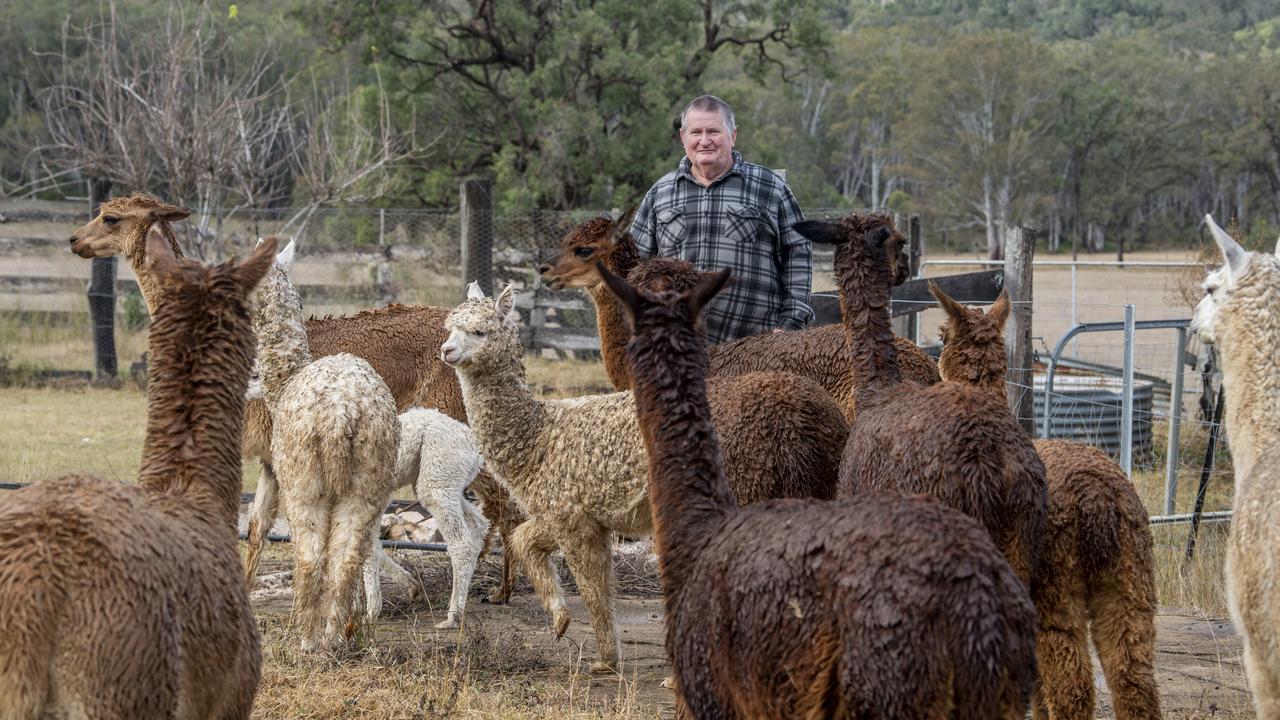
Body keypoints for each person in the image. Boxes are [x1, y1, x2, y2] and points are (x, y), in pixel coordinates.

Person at [630, 94, 813, 344]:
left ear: (733, 136)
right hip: (678, 347)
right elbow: (634, 266)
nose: (704, 141)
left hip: (756, 350)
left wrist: (790, 322)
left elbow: (798, 253)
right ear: (684, 137)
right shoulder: (660, 193)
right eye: (696, 132)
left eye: (714, 131)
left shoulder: (770, 187)